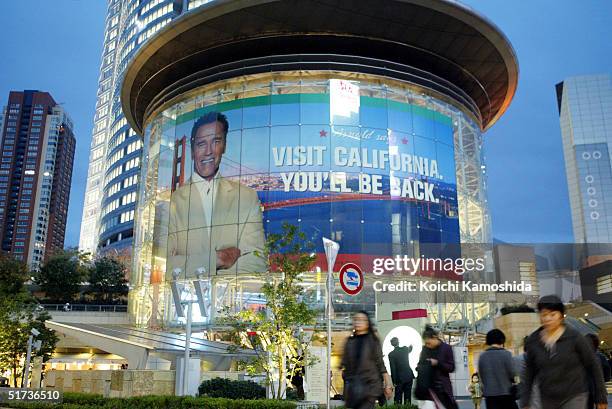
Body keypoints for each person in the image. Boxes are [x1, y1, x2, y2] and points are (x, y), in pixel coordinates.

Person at [167, 111, 266, 277]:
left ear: (224, 146)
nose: (208, 152)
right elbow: (165, 266)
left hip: (230, 302)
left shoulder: (247, 197)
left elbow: (257, 262)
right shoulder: (173, 202)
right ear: (192, 151)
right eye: (201, 144)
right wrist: (218, 259)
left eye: (216, 141)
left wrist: (194, 267)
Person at [521, 295, 608, 409]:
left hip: (575, 394)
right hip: (548, 397)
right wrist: (525, 401)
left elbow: (593, 365)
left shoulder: (574, 336)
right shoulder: (534, 340)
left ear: (561, 316)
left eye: (553, 314)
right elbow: (529, 373)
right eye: (544, 314)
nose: (548, 318)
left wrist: (600, 396)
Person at [341, 311, 393, 409]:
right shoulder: (349, 341)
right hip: (354, 387)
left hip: (370, 386)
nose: (358, 322)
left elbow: (380, 364)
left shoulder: (373, 341)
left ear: (367, 323)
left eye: (362, 320)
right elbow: (344, 364)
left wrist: (388, 385)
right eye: (356, 320)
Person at [415, 325, 458, 409]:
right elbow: (420, 364)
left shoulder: (446, 348)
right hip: (428, 390)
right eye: (425, 343)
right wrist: (420, 367)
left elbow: (451, 367)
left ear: (435, 337)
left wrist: (437, 363)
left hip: (443, 388)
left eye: (428, 343)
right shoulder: (425, 349)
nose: (427, 345)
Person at [477, 329, 518, 409]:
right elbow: (513, 373)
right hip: (506, 393)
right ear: (502, 340)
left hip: (490, 395)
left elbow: (481, 375)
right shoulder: (506, 354)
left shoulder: (482, 356)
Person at [585, 333, 611, 409]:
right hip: (599, 391)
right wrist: (605, 379)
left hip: (585, 390)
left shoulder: (580, 357)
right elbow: (607, 372)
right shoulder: (601, 357)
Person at [388, 336, 414, 404]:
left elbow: (393, 369)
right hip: (409, 376)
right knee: (408, 397)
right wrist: (411, 346)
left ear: (391, 344)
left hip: (399, 379)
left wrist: (394, 381)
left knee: (398, 398)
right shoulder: (405, 349)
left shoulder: (391, 354)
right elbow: (410, 349)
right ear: (398, 342)